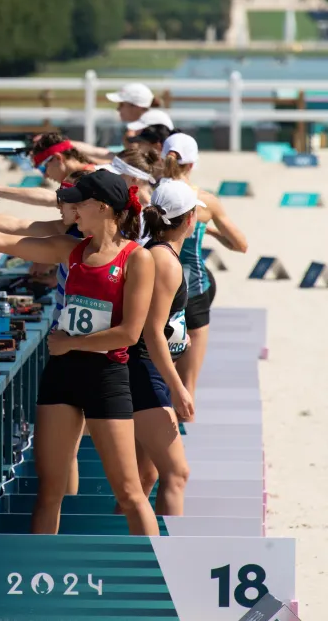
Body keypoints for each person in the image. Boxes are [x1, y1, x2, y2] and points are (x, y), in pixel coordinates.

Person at [0, 169, 161, 537]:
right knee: (49, 492)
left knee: (130, 492)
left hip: (106, 377)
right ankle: (41, 576)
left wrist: (71, 343)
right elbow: (1, 240)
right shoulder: (69, 249)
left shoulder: (137, 259)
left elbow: (129, 334)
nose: (70, 209)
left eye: (79, 203)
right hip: (61, 375)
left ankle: (153, 579)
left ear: (102, 207)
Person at [126, 180, 204, 515]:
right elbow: (152, 331)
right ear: (190, 219)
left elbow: (157, 323)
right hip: (144, 371)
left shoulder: (152, 250)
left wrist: (179, 337)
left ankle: (128, 552)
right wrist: (179, 387)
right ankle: (167, 563)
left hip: (143, 367)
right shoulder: (166, 261)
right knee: (176, 473)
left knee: (144, 477)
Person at [161, 132, 248, 398]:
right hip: (194, 290)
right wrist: (206, 230)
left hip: (158, 286)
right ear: (192, 164)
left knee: (155, 381)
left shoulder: (149, 193)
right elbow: (240, 245)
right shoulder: (204, 201)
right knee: (187, 388)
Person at [0, 132, 95, 208]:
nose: (45, 175)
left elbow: (50, 198)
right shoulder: (96, 172)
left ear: (57, 158)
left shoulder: (88, 181)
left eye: (43, 167)